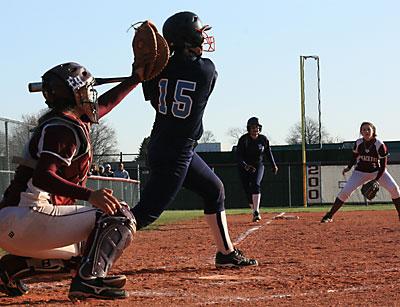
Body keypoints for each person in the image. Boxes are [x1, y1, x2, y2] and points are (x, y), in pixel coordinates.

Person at [0, 62, 142, 300]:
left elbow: (105, 105)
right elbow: (43, 176)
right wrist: (90, 196)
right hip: (29, 218)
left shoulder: (64, 121)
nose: (90, 96)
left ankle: (10, 270)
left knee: (88, 253)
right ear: (75, 94)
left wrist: (134, 79)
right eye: (86, 90)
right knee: (120, 216)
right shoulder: (62, 129)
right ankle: (90, 281)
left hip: (16, 224)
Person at [131, 11, 257, 268]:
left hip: (167, 145)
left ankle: (226, 252)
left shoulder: (159, 69)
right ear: (187, 40)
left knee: (214, 189)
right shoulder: (206, 70)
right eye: (198, 35)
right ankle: (85, 248)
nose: (203, 39)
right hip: (175, 152)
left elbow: (153, 97)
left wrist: (146, 68)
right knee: (144, 214)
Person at [321, 121, 400, 223]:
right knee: (345, 192)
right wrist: (349, 167)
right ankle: (329, 215)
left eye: (368, 129)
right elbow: (354, 156)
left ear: (373, 131)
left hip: (377, 171)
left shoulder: (379, 144)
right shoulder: (358, 143)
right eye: (364, 129)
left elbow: (383, 165)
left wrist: (376, 180)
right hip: (360, 172)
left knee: (395, 189)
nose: (366, 131)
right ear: (361, 132)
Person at [236, 117, 278, 222]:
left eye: (257, 128)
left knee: (256, 184)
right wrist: (245, 166)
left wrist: (273, 165)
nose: (255, 130)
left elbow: (268, 152)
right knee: (247, 190)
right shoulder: (243, 139)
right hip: (244, 167)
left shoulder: (263, 139)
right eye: (253, 128)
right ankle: (254, 210)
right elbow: (238, 156)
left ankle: (256, 211)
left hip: (258, 165)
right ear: (249, 129)